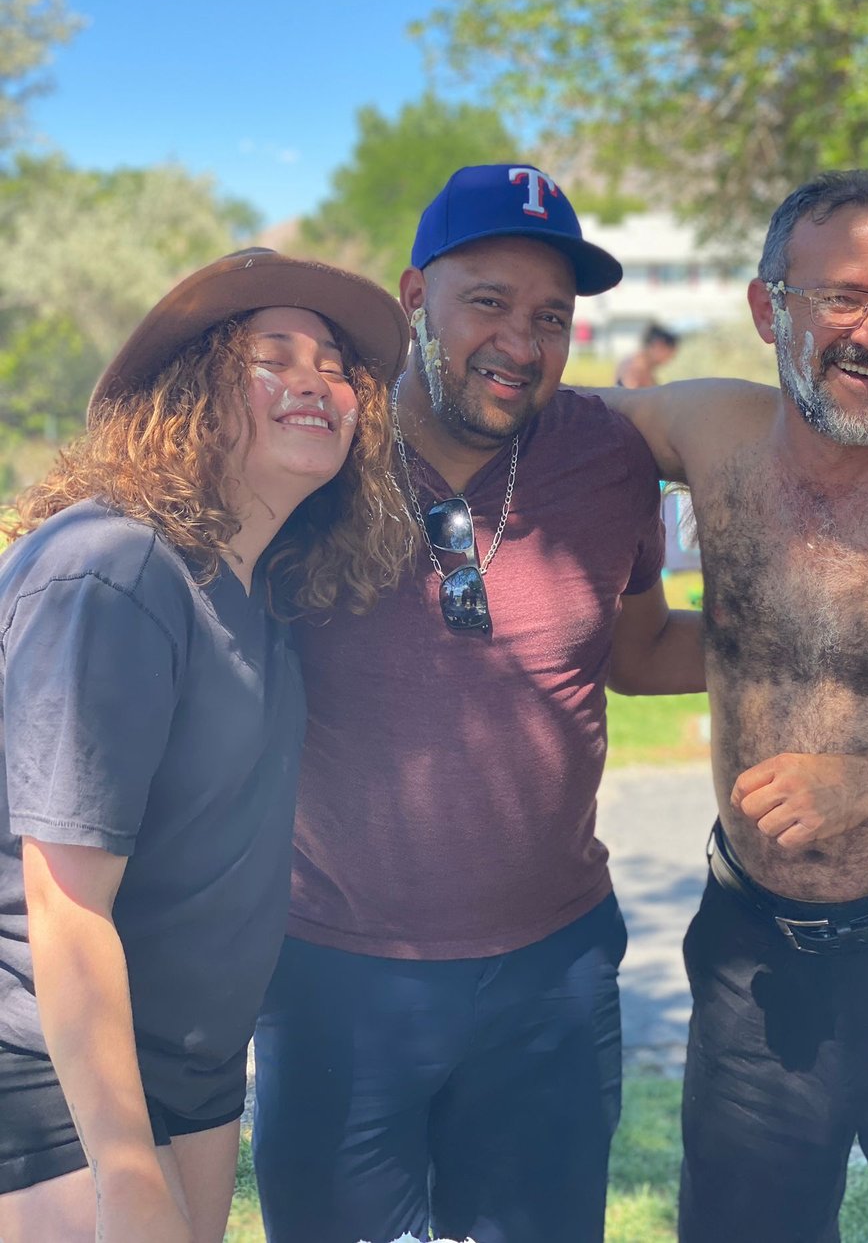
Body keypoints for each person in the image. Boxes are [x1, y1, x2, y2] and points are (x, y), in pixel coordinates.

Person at [252, 163, 706, 1243]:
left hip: (551, 975)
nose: (522, 341)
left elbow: (636, 654)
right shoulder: (317, 459)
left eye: (552, 315)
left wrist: (837, 649)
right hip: (334, 975)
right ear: (415, 300)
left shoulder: (607, 461)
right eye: (488, 304)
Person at [599, 170, 868, 1243]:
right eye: (841, 296)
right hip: (753, 964)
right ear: (766, 307)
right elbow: (536, 428)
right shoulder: (706, 432)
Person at [0, 248, 414, 1243]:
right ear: (193, 393)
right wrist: (128, 1172)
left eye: (334, 364)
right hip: (53, 1075)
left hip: (193, 1071)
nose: (317, 378)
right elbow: (63, 904)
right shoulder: (114, 567)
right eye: (273, 356)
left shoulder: (258, 589)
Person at [615, 321, 680, 388]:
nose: (669, 360)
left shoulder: (634, 361)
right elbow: (632, 395)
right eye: (670, 355)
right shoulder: (638, 367)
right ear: (659, 345)